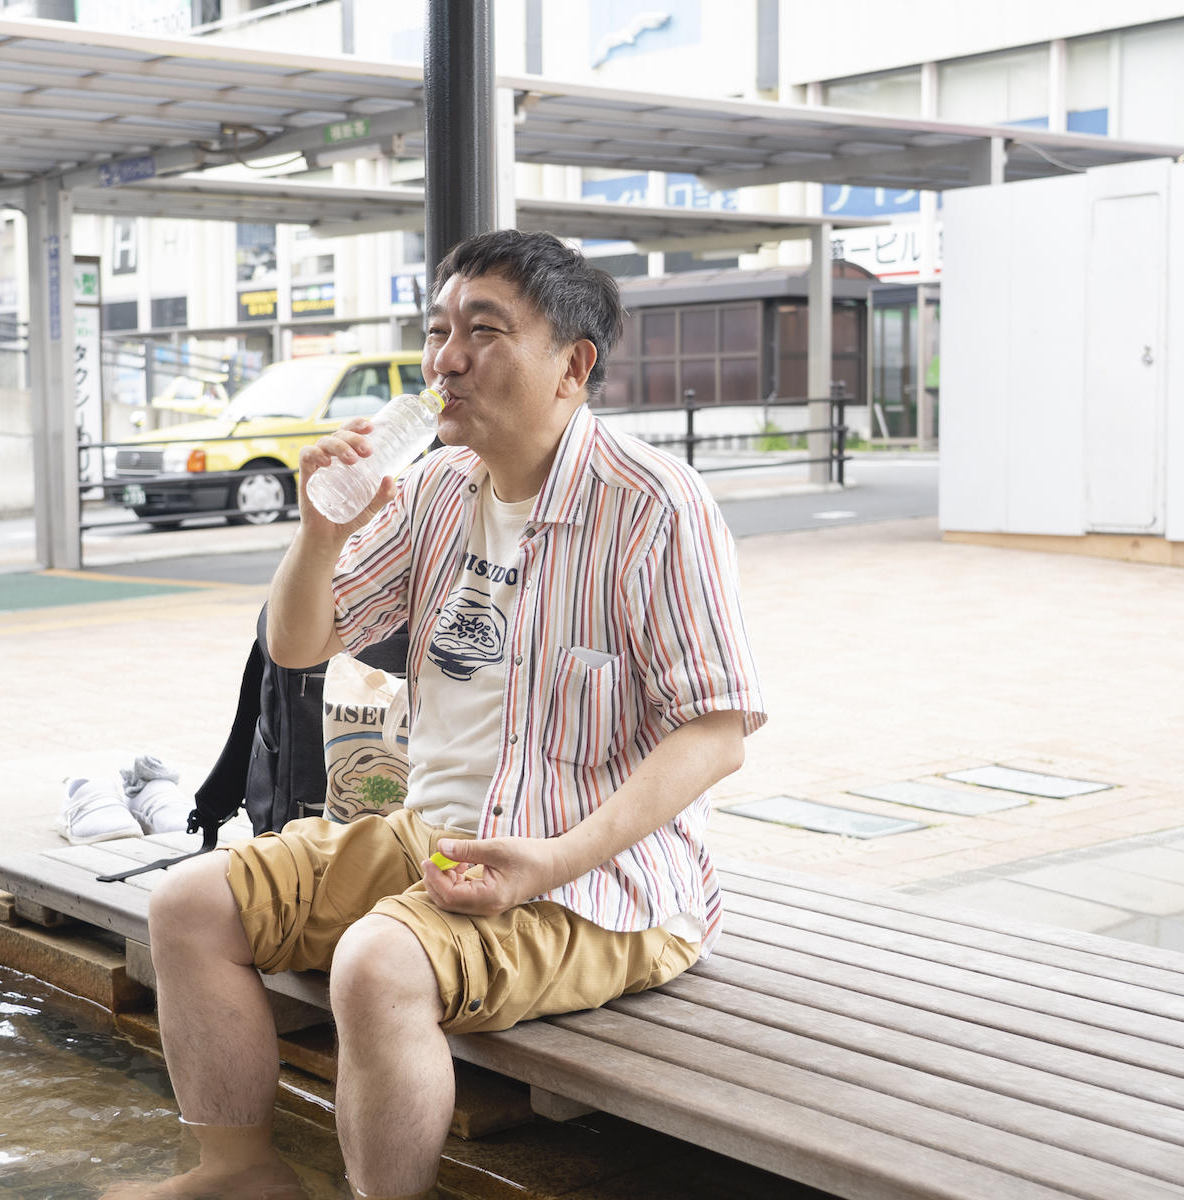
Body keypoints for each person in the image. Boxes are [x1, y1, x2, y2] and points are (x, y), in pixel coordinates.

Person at [138, 230, 766, 1200]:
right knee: (189, 904)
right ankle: (239, 1171)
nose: (446, 359)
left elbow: (715, 733)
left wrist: (551, 859)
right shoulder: (434, 487)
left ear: (574, 364)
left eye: (484, 330)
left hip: (601, 882)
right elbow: (303, 646)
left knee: (377, 966)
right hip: (436, 836)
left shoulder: (655, 507)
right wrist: (318, 536)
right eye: (437, 332)